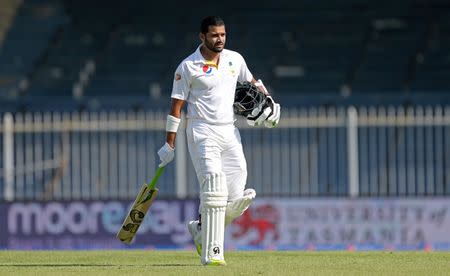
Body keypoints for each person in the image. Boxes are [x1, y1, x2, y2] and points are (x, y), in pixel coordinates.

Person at [157, 16, 280, 266]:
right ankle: (213, 254)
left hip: (229, 131)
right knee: (215, 188)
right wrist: (169, 143)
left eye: (223, 34)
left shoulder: (236, 59)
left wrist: (269, 102)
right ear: (202, 37)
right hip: (202, 132)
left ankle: (201, 230)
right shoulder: (188, 67)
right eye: (214, 35)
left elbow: (252, 82)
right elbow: (175, 108)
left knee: (236, 199)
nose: (220, 39)